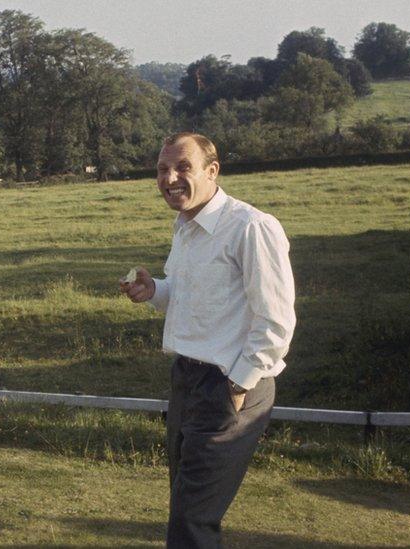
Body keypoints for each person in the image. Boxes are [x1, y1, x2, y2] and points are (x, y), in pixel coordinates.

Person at [120, 132, 296, 548]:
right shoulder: (186, 227)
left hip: (229, 384)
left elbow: (276, 321)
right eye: (163, 169)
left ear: (212, 171)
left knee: (192, 518)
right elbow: (195, 297)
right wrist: (156, 291)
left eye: (183, 167)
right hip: (187, 379)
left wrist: (237, 386)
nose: (170, 178)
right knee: (186, 506)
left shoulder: (252, 227)